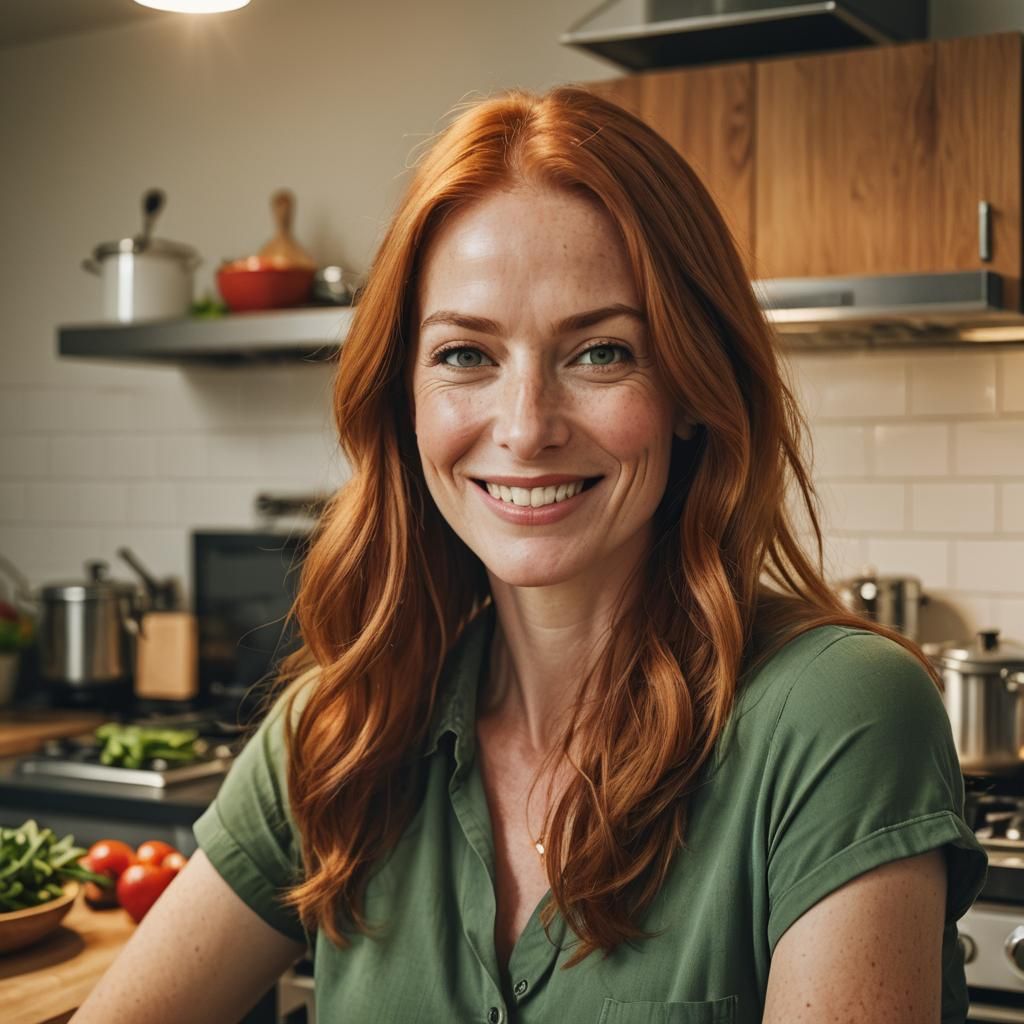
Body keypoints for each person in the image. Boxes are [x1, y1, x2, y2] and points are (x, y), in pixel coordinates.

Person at [73, 85, 987, 1024]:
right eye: (466, 356)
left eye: (599, 352)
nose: (526, 429)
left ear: (689, 390)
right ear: (405, 396)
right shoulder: (343, 732)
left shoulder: (839, 714)